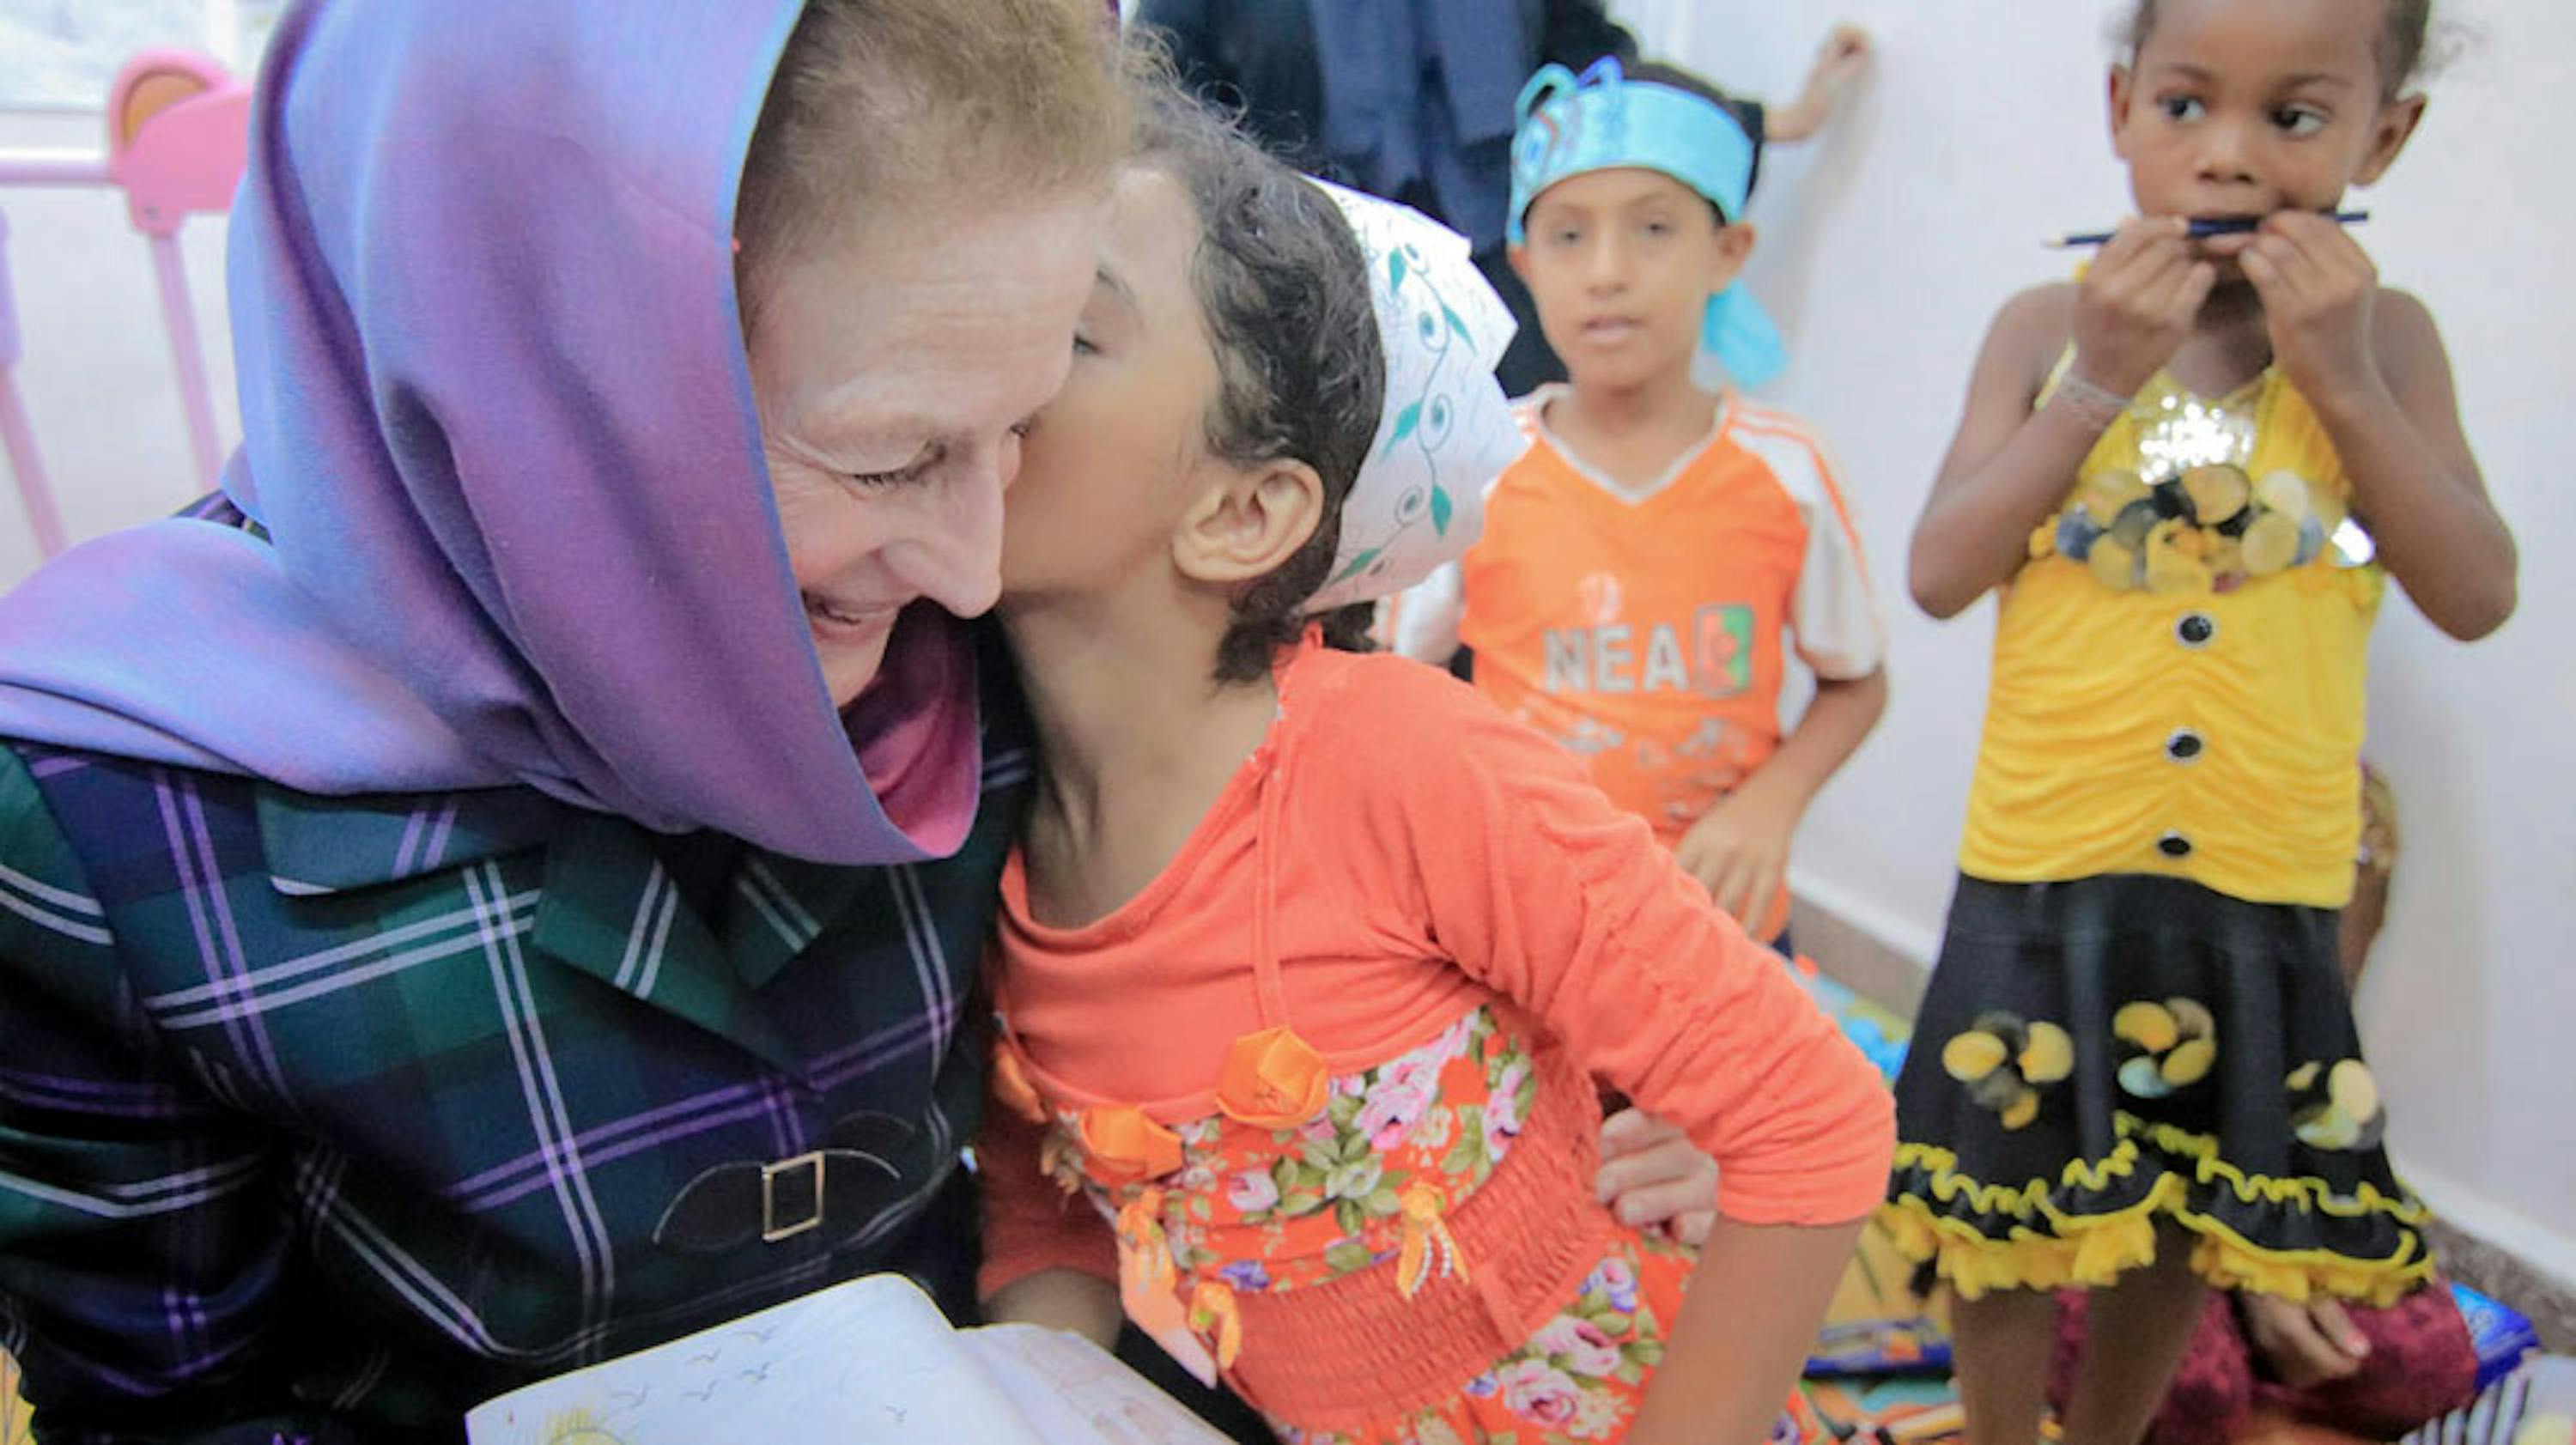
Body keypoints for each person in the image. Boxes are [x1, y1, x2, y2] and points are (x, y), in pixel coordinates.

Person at [0, 4, 1720, 1436]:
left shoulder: (995, 624)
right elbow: (165, 1407)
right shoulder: (110, 827)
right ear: (540, 367)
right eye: (893, 457)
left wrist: (1575, 1094)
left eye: (1025, 423)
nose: (973, 564)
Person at [971, 95, 1893, 1445]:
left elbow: (1810, 1111)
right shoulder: (979, 829)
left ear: (1243, 510)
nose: (982, 349)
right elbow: (1045, 1195)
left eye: (1070, 325)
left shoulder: (1397, 761)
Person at [1883, 2, 2517, 1444]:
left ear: (2385, 134)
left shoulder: (2389, 342)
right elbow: (1938, 570)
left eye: (2293, 118)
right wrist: (2099, 372)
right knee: (2011, 1197)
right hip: (2051, 860)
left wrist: (2341, 374)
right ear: (2121, 110)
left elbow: (2477, 590)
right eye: (2185, 108)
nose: (2228, 158)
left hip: (2257, 872)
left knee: (2184, 1200)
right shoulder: (2044, 328)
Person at [1391, 58, 1886, 944]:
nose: (1607, 272)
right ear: (1526, 265)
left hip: (1713, 929)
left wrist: (1769, 808)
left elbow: (1857, 681)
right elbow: (1398, 684)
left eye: (1653, 229)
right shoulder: (1477, 461)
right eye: (1569, 237)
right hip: (1518, 923)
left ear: (1727, 251)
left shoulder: (1789, 470)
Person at [1131, 0, 1869, 395]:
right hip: (1308, 287)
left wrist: (1762, 121)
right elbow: (1161, 96)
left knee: (1512, 528)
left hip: (1497, 276)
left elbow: (1586, 68)